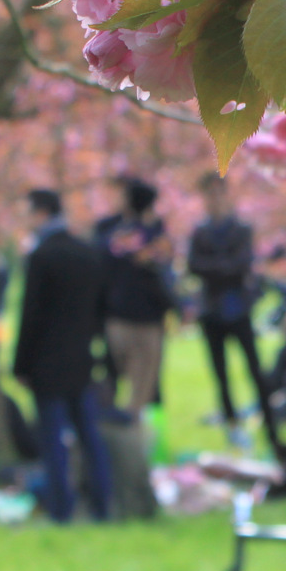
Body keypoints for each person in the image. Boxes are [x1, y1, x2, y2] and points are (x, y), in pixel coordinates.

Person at [13, 190, 113, 524]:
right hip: (82, 359)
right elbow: (100, 310)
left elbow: (31, 315)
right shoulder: (88, 254)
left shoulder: (42, 257)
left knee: (53, 440)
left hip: (47, 363)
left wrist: (21, 364)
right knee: (89, 437)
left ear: (41, 213)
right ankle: (102, 503)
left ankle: (61, 508)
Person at [188, 173, 284, 454]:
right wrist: (223, 268)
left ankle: (270, 427)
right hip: (213, 311)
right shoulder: (200, 232)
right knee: (221, 374)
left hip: (238, 309)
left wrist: (216, 268)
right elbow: (195, 265)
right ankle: (233, 428)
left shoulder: (241, 230)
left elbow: (240, 265)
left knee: (255, 370)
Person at [94, 177, 172, 420]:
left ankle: (115, 428)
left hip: (117, 317)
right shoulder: (156, 236)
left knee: (116, 379)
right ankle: (133, 436)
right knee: (142, 387)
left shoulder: (109, 235)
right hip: (146, 320)